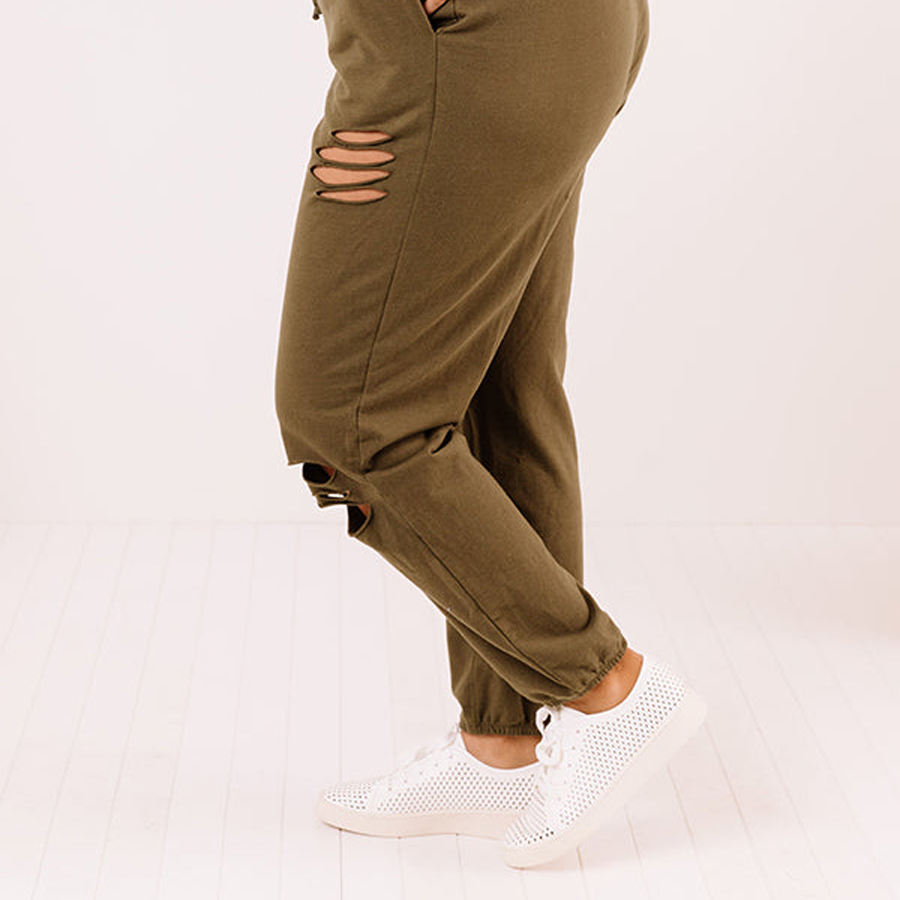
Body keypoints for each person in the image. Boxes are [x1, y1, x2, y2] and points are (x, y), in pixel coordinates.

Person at [274, 0, 706, 868]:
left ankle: (603, 686)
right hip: (549, 35)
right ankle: (503, 744)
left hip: (459, 43)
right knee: (495, 387)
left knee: (352, 419)